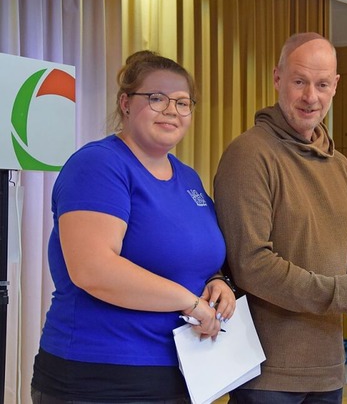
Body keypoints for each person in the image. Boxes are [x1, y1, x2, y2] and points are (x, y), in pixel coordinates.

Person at [31, 50, 236, 403]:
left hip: (178, 372)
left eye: (183, 102)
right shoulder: (99, 166)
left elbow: (191, 254)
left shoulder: (187, 178)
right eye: (156, 98)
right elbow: (94, 269)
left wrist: (217, 281)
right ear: (125, 103)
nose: (171, 110)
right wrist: (189, 302)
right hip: (98, 374)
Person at [213, 32, 347, 403]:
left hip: (329, 371)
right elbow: (252, 265)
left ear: (335, 86)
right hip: (266, 375)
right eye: (299, 81)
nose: (310, 97)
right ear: (277, 79)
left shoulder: (342, 167)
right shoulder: (249, 155)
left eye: (321, 84)